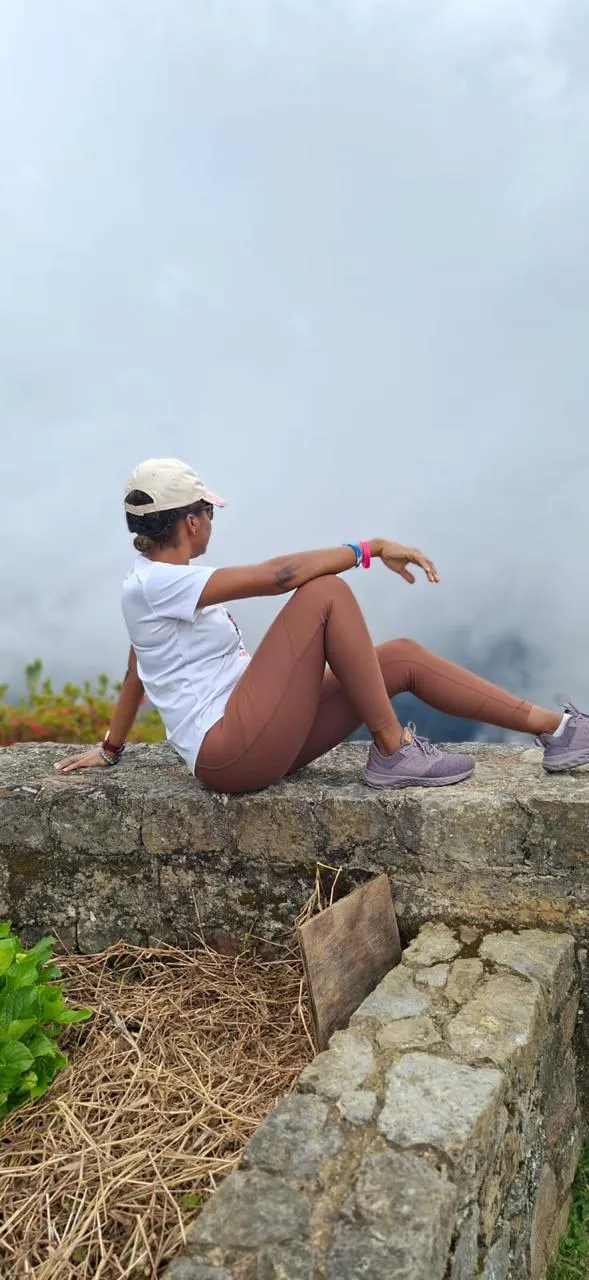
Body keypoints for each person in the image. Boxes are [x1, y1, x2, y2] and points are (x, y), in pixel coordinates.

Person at [55, 457, 589, 792]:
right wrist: (371, 548)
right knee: (325, 592)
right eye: (209, 512)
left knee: (399, 656)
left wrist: (110, 749)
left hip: (256, 734)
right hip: (229, 752)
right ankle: (393, 752)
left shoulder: (159, 585)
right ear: (192, 521)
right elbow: (283, 575)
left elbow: (136, 673)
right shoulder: (156, 586)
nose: (213, 521)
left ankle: (558, 731)